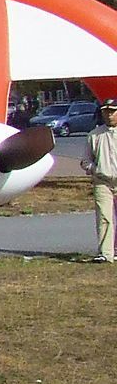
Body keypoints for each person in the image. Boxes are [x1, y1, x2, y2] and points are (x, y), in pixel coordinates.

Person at [80, 100, 117, 262]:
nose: (109, 115)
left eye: (112, 111)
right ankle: (106, 253)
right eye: (106, 111)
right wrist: (95, 169)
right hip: (102, 181)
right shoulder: (94, 135)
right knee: (104, 217)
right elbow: (85, 161)